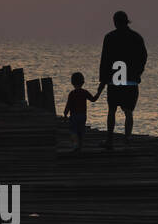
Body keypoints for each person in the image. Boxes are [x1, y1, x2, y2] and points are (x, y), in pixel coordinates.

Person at [98, 10, 147, 150]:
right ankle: (127, 139)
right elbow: (143, 57)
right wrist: (138, 73)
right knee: (128, 111)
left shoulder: (109, 37)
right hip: (131, 80)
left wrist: (103, 80)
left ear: (115, 22)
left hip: (114, 80)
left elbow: (105, 61)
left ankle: (110, 140)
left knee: (112, 110)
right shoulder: (136, 37)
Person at [63, 72, 104, 152]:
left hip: (74, 116)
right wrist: (99, 92)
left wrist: (65, 114)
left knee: (73, 131)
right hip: (83, 116)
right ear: (83, 82)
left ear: (72, 82)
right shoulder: (85, 92)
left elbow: (68, 105)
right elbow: (93, 99)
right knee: (81, 131)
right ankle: (80, 146)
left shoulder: (72, 93)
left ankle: (75, 145)